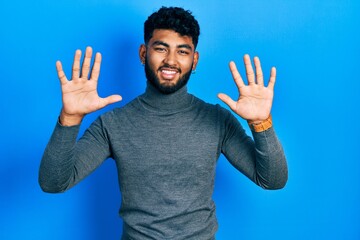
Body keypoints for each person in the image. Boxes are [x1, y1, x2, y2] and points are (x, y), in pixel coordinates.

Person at [39, 6, 288, 240]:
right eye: (161, 48)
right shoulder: (112, 124)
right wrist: (70, 119)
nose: (171, 60)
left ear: (195, 60)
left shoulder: (218, 120)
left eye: (182, 51)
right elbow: (53, 183)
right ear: (143, 53)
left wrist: (261, 122)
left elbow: (272, 180)